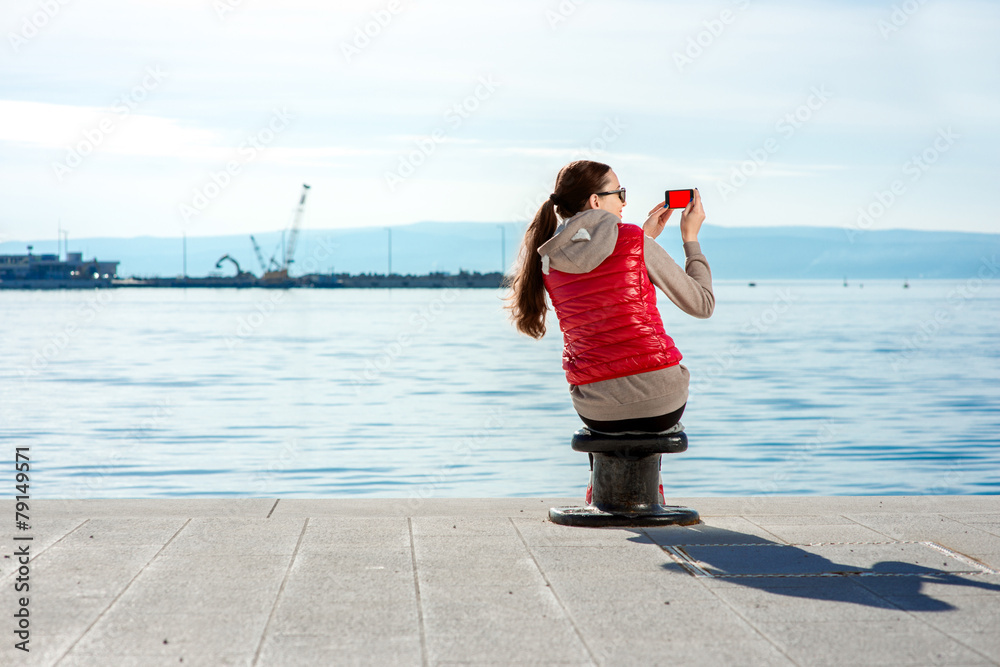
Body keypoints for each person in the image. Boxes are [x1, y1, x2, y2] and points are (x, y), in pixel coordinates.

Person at [506, 159, 714, 440]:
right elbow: (703, 305)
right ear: (595, 201)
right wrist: (690, 239)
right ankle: (654, 484)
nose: (624, 202)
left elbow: (600, 265)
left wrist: (645, 238)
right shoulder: (635, 241)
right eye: (619, 192)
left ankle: (599, 483)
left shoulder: (547, 259)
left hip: (597, 411)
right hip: (662, 402)